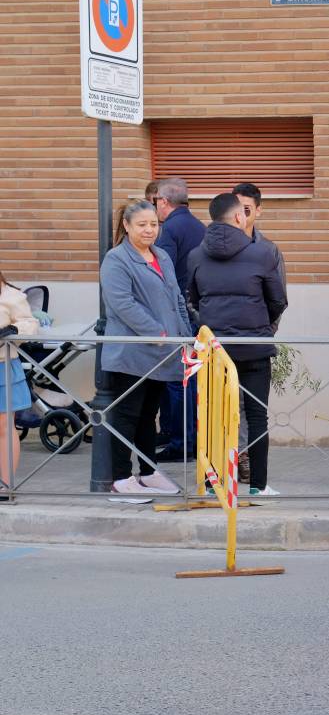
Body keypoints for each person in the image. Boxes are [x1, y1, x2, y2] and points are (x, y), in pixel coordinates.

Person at [187, 193, 288, 496]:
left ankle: (213, 483)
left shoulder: (195, 256)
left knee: (213, 415)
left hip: (215, 351)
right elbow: (278, 300)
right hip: (254, 347)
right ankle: (258, 486)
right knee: (257, 416)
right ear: (238, 217)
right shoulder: (263, 253)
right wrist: (260, 325)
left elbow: (192, 299)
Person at [99, 201, 192, 496]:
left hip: (162, 353)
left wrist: (185, 336)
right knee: (127, 416)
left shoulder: (161, 255)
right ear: (127, 226)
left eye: (153, 224)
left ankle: (149, 472)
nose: (149, 230)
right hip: (131, 353)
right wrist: (156, 331)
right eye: (142, 225)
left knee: (149, 416)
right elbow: (122, 303)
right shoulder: (116, 259)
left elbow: (177, 298)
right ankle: (120, 479)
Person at [153, 178, 206, 462]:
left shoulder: (170, 229)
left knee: (178, 380)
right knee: (191, 378)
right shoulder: (199, 226)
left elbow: (164, 275)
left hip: (178, 315)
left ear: (163, 201)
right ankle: (190, 438)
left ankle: (181, 444)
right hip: (198, 312)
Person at [0, 270, 38, 495]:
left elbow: (30, 324)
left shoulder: (12, 296)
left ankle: (6, 485)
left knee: (4, 426)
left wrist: (14, 330)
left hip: (3, 366)